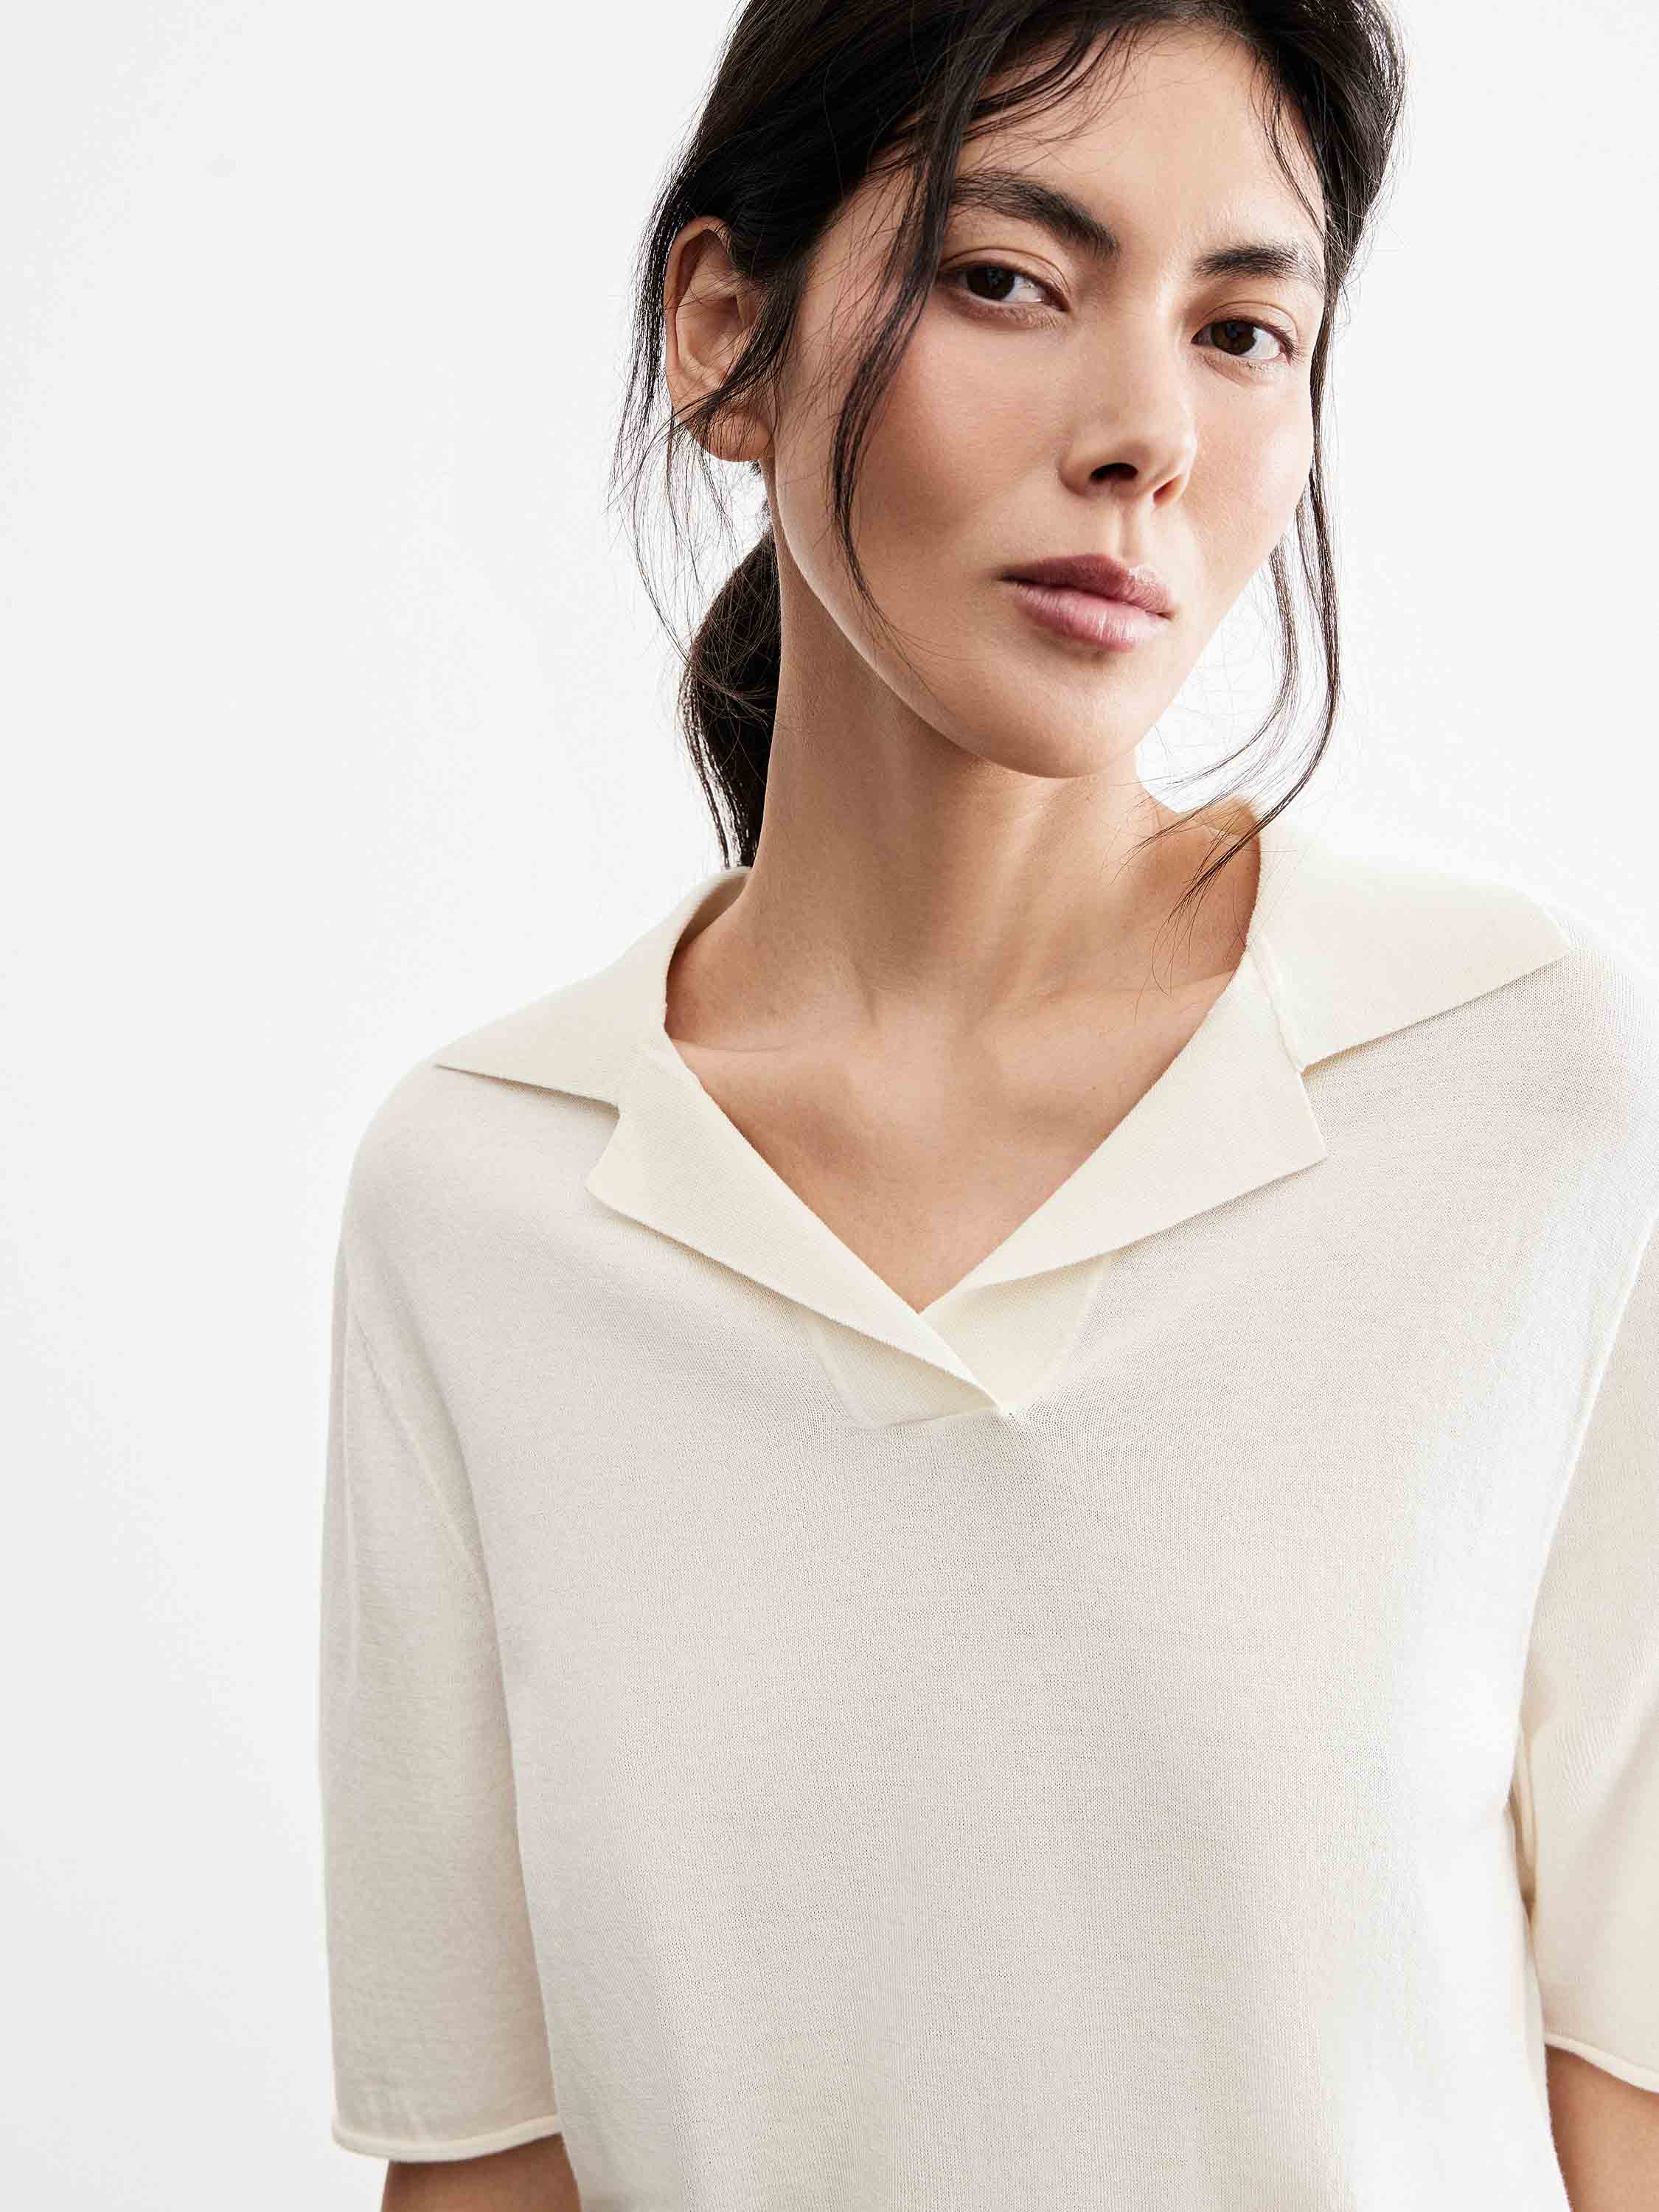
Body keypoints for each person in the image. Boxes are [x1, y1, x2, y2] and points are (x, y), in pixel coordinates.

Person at [317, 3, 1659, 2207]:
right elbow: (488, 2166)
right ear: (728, 336)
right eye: (1008, 280)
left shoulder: (1523, 1095)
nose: (1144, 435)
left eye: (1241, 332)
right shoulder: (487, 1196)